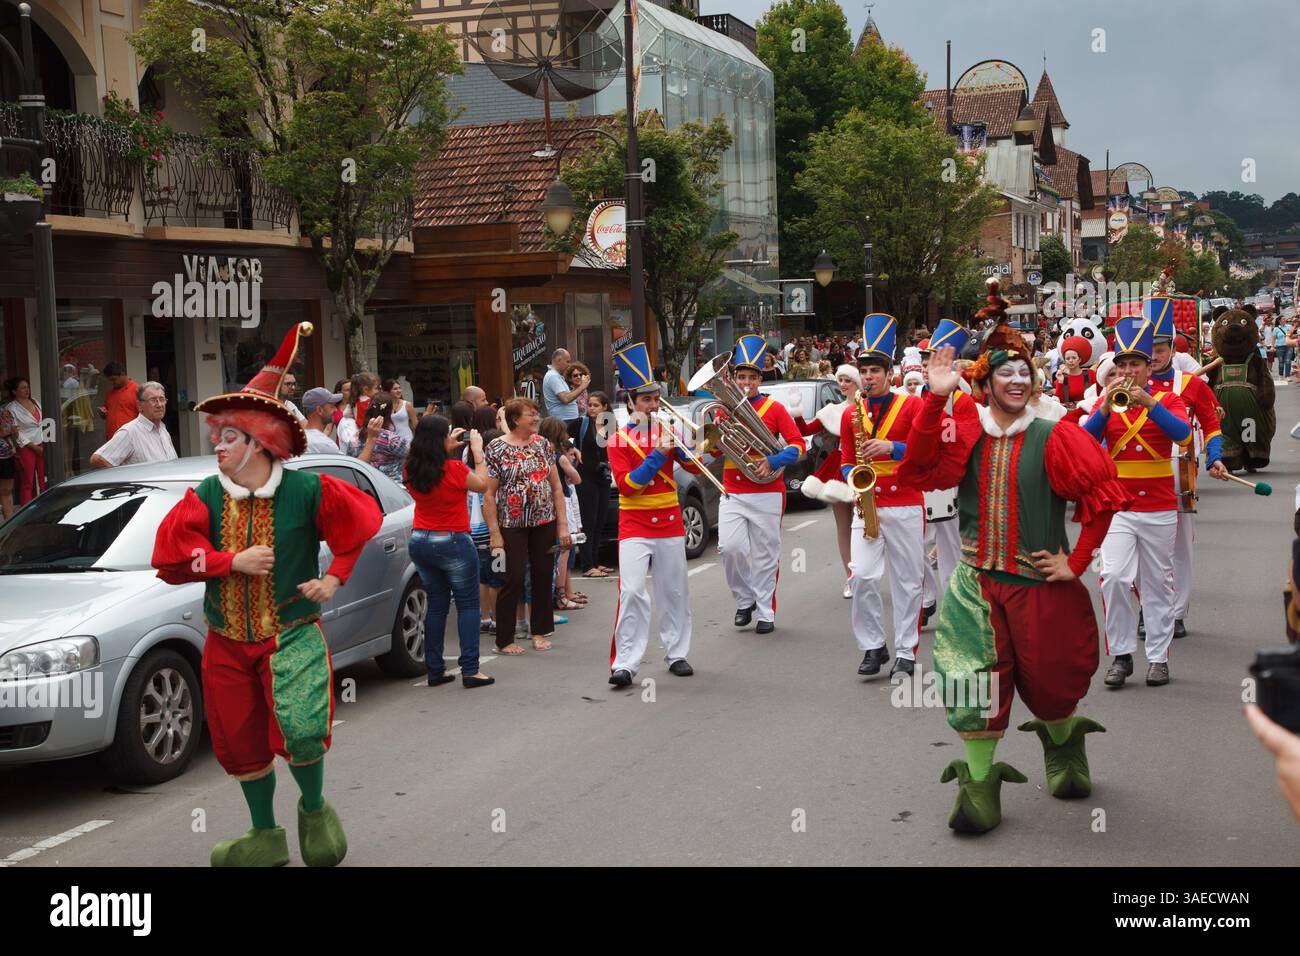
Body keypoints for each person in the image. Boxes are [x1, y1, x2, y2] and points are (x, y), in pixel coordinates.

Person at [897, 281, 1128, 835]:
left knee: (1051, 684)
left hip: (1039, 584)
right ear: (986, 381)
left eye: (1026, 372)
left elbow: (1102, 497)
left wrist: (1077, 562)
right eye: (1007, 371)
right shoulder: (967, 434)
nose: (1019, 379)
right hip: (976, 582)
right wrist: (933, 397)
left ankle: (1064, 744)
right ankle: (979, 789)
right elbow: (920, 468)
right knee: (972, 682)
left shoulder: (1057, 435)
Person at [151, 322, 383, 867]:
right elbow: (170, 560)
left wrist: (333, 579)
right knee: (239, 737)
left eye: (228, 435)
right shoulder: (205, 495)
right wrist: (232, 561)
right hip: (227, 642)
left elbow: (357, 529)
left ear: (259, 440)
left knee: (301, 730)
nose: (216, 444)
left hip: (292, 634)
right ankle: (264, 834)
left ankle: (314, 808)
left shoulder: (307, 488)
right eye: (217, 434)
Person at [1083, 315, 1192, 688]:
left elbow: (1182, 436)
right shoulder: (1107, 401)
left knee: (1156, 585)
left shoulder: (1169, 399)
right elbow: (1083, 443)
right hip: (1119, 508)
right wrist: (1101, 409)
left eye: (1135, 364)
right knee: (1112, 576)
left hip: (1159, 506)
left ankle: (1158, 658)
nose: (1128, 371)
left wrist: (1148, 402)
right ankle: (1122, 655)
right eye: (1122, 365)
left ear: (1150, 367)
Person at [837, 314, 927, 678]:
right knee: (861, 577)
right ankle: (874, 645)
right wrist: (853, 479)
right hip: (868, 504)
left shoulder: (913, 406)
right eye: (865, 371)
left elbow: (927, 451)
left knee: (907, 581)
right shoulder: (850, 415)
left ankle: (906, 652)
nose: (869, 377)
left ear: (890, 375)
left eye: (876, 371)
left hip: (906, 502)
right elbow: (845, 460)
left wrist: (893, 446)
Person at [607, 342, 700, 684]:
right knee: (631, 591)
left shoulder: (668, 431)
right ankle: (625, 663)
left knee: (674, 590)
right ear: (630, 402)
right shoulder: (617, 440)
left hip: (671, 523)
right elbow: (629, 486)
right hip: (634, 524)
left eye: (656, 398)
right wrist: (658, 455)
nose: (653, 405)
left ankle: (677, 653)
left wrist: (689, 447)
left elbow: (697, 468)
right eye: (646, 399)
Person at [1144, 297, 1228, 640]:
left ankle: (1176, 612)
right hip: (1136, 478)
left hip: (1180, 474)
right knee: (1138, 549)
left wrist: (1215, 457)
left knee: (1179, 548)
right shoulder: (1128, 383)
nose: (1153, 355)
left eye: (1160, 348)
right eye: (1147, 349)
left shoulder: (1191, 384)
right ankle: (1148, 608)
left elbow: (1212, 424)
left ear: (1171, 346)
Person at [710, 334, 805, 634]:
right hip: (733, 489)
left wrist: (774, 461)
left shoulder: (774, 409)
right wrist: (709, 436)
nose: (746, 382)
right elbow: (713, 449)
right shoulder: (722, 409)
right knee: (729, 548)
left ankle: (765, 611)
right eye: (741, 377)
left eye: (752, 377)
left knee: (766, 553)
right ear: (733, 379)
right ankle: (744, 599)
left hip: (767, 489)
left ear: (760, 380)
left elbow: (799, 445)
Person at [405, 415, 495, 689]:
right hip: (452, 539)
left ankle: (435, 669)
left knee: (437, 604)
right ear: (440, 440)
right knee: (468, 605)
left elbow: (429, 462)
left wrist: (444, 446)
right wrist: (478, 453)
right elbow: (482, 485)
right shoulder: (454, 468)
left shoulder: (411, 467)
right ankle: (470, 670)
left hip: (420, 539)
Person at [482, 397, 572, 654]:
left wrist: (563, 526)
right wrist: (494, 533)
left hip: (544, 520)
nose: (535, 418)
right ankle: (504, 639)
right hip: (511, 522)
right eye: (530, 414)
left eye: (536, 413)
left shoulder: (543, 445)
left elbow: (556, 486)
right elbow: (488, 495)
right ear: (514, 419)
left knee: (544, 575)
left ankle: (539, 631)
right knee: (512, 577)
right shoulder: (497, 448)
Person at [798, 364, 861, 596]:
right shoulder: (832, 411)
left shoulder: (869, 408)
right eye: (840, 380)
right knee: (843, 526)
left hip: (865, 466)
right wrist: (796, 412)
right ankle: (851, 577)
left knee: (865, 525)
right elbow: (806, 429)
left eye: (848, 380)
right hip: (838, 468)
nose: (843, 385)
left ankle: (866, 570)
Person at [540, 415, 585, 611]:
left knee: (560, 551)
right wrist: (571, 464)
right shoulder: (560, 458)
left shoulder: (540, 452)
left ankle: (565, 591)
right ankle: (561, 594)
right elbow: (576, 479)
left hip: (545, 503)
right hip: (563, 502)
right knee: (564, 551)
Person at [89, 381, 177, 467]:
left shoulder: (162, 429)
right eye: (153, 400)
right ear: (139, 405)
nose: (159, 405)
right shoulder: (130, 432)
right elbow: (98, 459)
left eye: (162, 399)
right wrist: (126, 479)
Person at [574, 390, 614, 577]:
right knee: (588, 522)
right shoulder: (581, 423)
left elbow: (616, 448)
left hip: (603, 477)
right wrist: (573, 451)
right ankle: (587, 565)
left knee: (600, 521)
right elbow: (562, 439)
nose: (591, 408)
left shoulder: (610, 424)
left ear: (605, 407)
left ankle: (596, 562)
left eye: (595, 405)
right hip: (585, 478)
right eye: (590, 405)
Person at [347, 395, 409, 482]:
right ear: (390, 412)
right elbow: (412, 454)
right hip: (391, 487)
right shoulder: (391, 439)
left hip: (367, 486)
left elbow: (351, 462)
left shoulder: (355, 438)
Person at [5, 377, 44, 503]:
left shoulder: (35, 402)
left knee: (44, 479)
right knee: (28, 482)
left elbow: (43, 422)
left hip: (42, 443)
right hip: (27, 447)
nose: (27, 390)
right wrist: (34, 447)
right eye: (23, 388)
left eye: (27, 387)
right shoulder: (11, 408)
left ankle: (47, 510)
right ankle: (26, 513)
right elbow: (16, 433)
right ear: (15, 391)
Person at [542, 349, 587, 427]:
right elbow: (565, 399)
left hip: (566, 420)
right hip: (564, 421)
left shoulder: (556, 375)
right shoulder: (553, 376)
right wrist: (582, 386)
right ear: (559, 360)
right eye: (567, 361)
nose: (569, 365)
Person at [98, 361, 139, 440]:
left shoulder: (137, 390)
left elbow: (144, 417)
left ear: (123, 374)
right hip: (112, 440)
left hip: (130, 439)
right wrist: (103, 413)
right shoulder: (110, 393)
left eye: (114, 379)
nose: (112, 383)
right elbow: (107, 412)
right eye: (110, 380)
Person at [1053, 336, 1096, 409]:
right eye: (1068, 358)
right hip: (1071, 413)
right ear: (1065, 361)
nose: (1070, 360)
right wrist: (1060, 382)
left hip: (1090, 411)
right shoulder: (1062, 378)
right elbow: (1058, 401)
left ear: (1079, 360)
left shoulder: (1090, 374)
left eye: (1074, 358)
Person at [301, 387, 344, 455]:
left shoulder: (300, 438)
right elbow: (348, 465)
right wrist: (367, 445)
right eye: (332, 406)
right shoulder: (324, 444)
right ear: (320, 410)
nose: (336, 409)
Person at [383, 378, 414, 443]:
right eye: (395, 389)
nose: (399, 390)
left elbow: (415, 424)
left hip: (407, 439)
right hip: (390, 442)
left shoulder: (407, 404)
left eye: (399, 388)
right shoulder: (384, 406)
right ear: (388, 391)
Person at [0, 396, 16, 519]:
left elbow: (11, 430)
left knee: (6, 490)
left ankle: (8, 524)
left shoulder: (5, 412)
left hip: (6, 455)